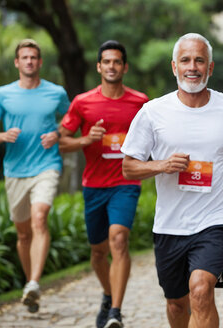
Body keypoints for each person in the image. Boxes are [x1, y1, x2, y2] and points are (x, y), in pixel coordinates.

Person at [120, 33, 223, 328]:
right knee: (176, 303)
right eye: (185, 60)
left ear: (210, 67)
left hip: (214, 219)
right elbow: (129, 167)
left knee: (201, 290)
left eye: (199, 60)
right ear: (174, 67)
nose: (192, 66)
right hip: (170, 223)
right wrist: (161, 165)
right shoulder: (153, 112)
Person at [58, 40, 148, 328]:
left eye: (117, 62)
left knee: (119, 238)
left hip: (126, 182)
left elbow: (156, 139)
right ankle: (108, 295)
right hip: (94, 185)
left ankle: (115, 313)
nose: (112, 66)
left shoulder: (140, 102)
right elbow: (61, 141)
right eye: (106, 62)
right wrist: (86, 140)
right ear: (99, 67)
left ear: (125, 67)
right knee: (98, 253)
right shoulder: (83, 102)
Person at [0, 39, 70, 313]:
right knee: (22, 234)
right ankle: (30, 288)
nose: (30, 61)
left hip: (47, 165)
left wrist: (58, 134)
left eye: (34, 57)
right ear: (17, 63)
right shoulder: (2, 94)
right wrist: (2, 136)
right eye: (25, 57)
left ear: (40, 63)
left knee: (40, 218)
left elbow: (70, 123)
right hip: (15, 171)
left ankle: (33, 283)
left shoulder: (56, 93)